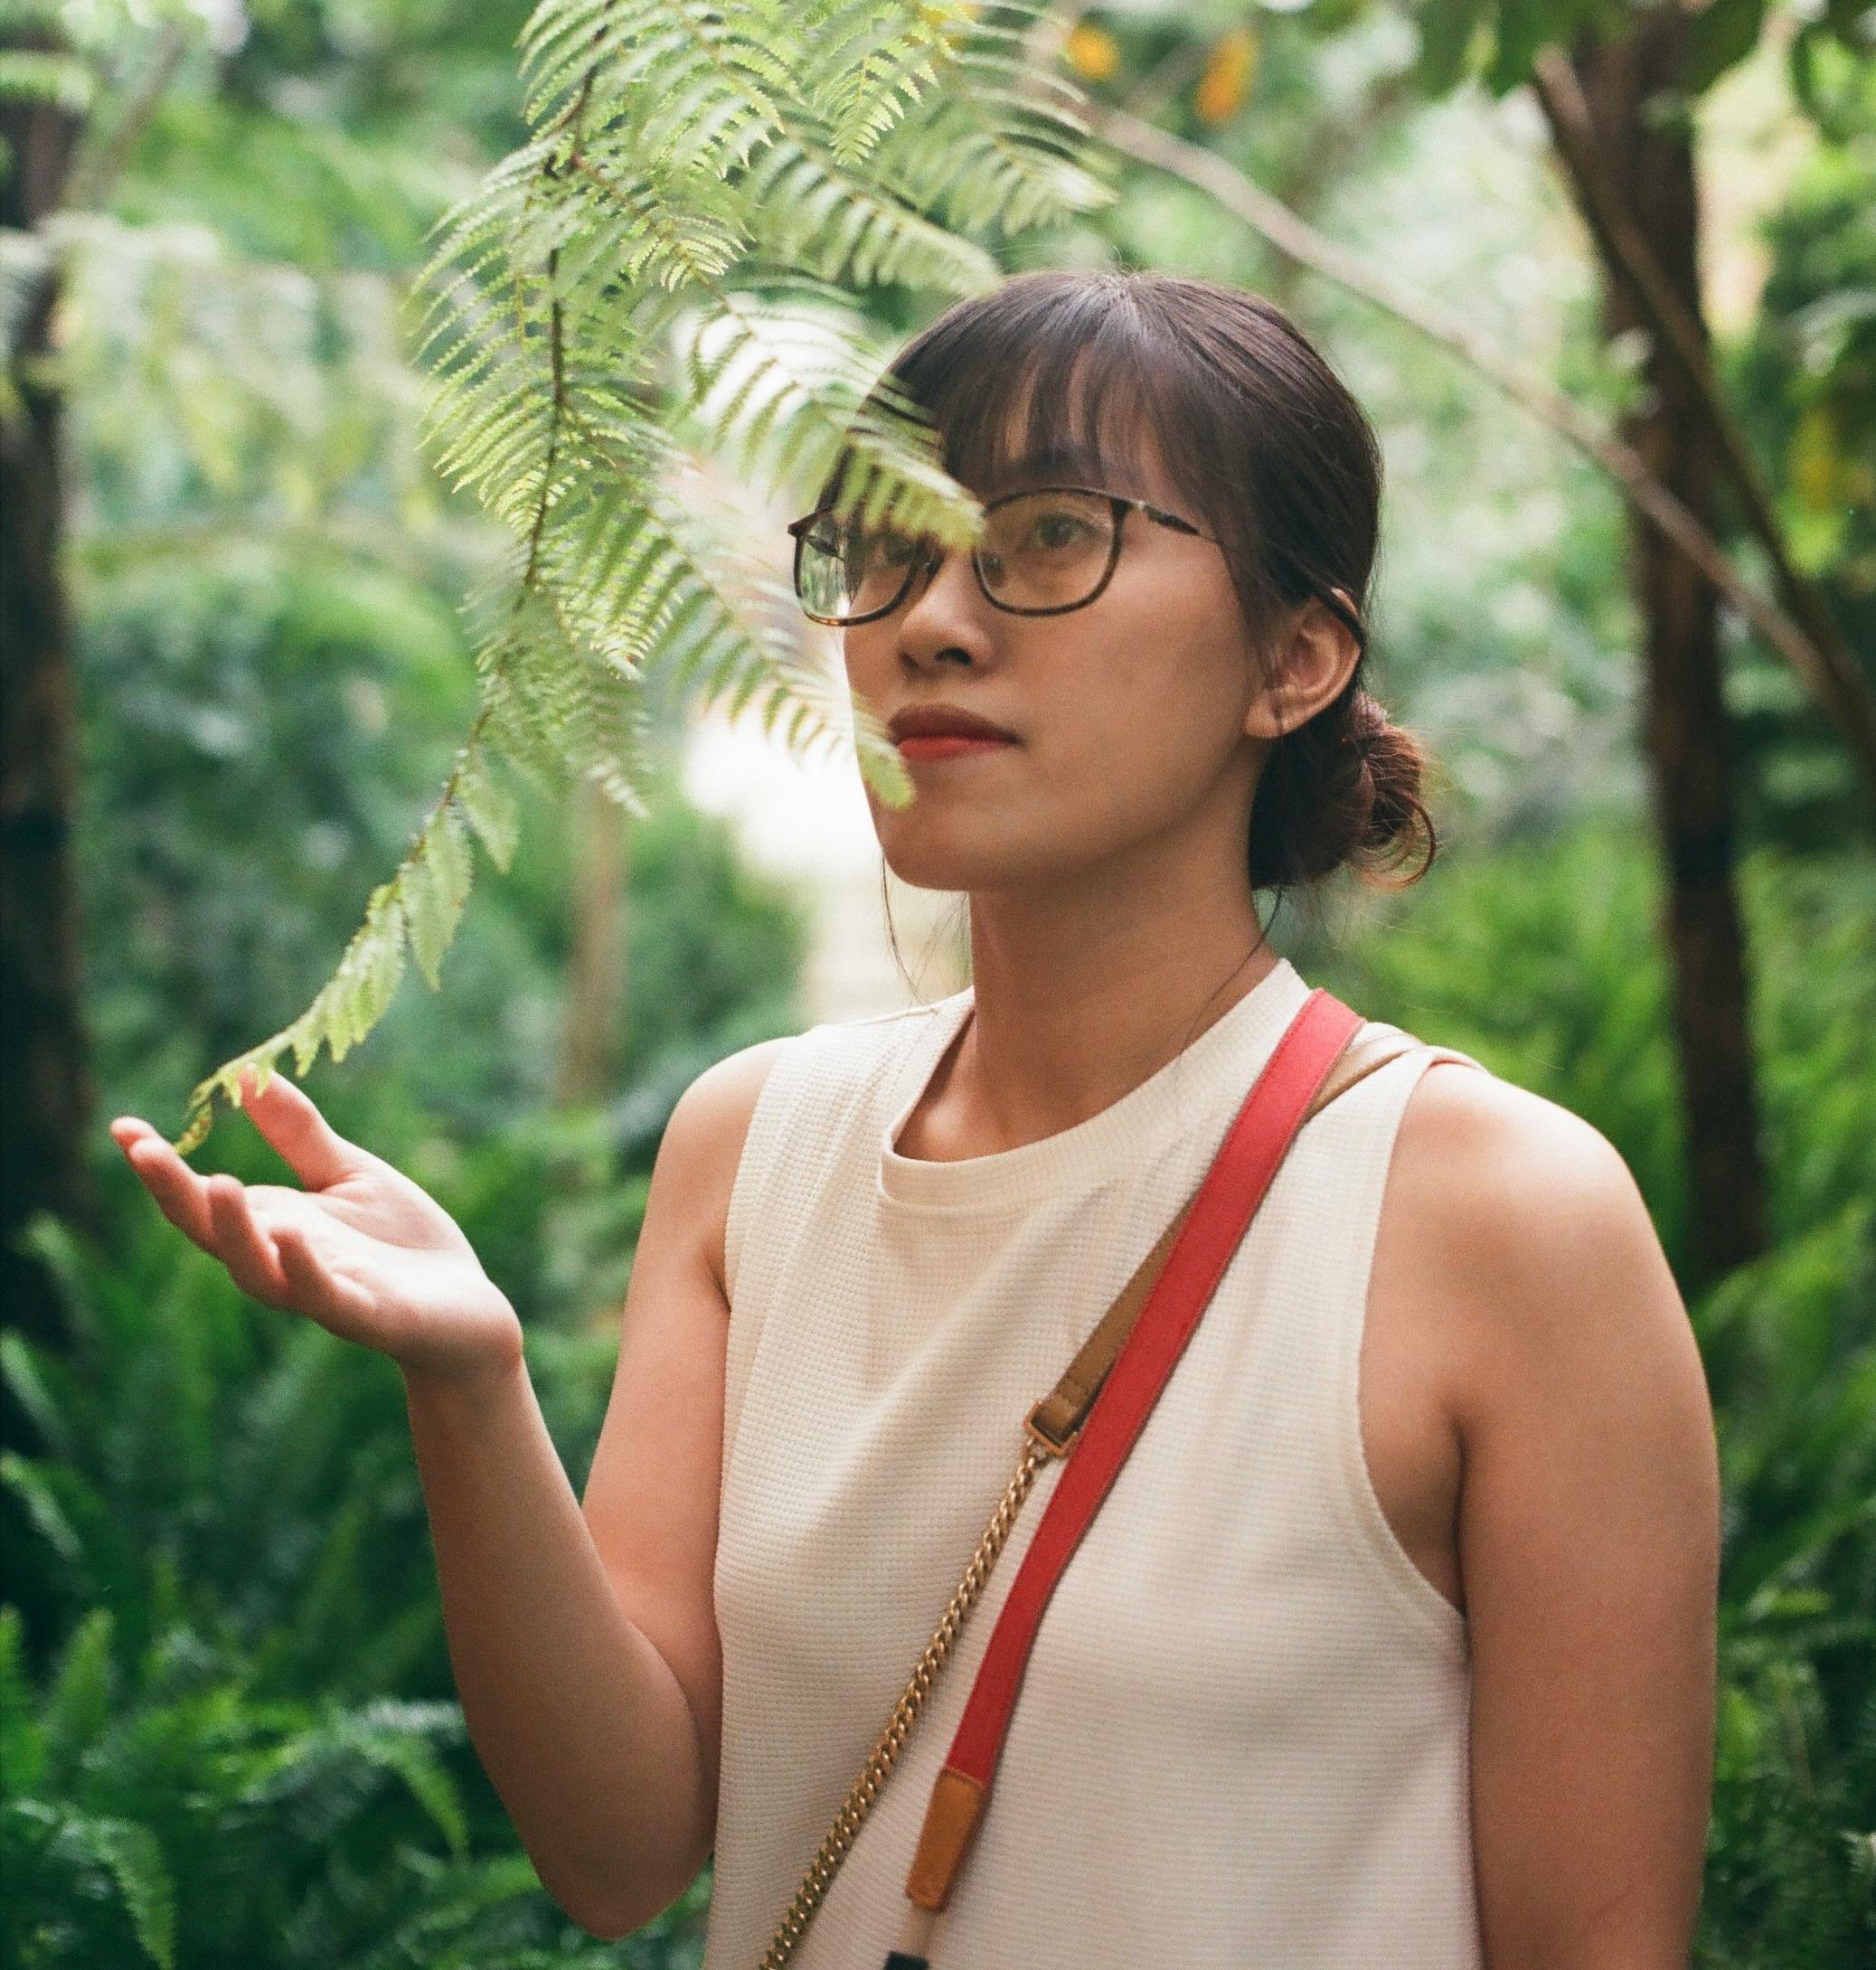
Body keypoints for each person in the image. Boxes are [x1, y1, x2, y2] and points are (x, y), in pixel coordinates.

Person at [110, 269, 1720, 1969]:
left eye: (1046, 538)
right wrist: (472, 1383)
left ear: (1293, 657)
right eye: (884, 545)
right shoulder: (756, 1147)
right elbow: (619, 1844)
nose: (930, 620)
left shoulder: (1496, 1217)